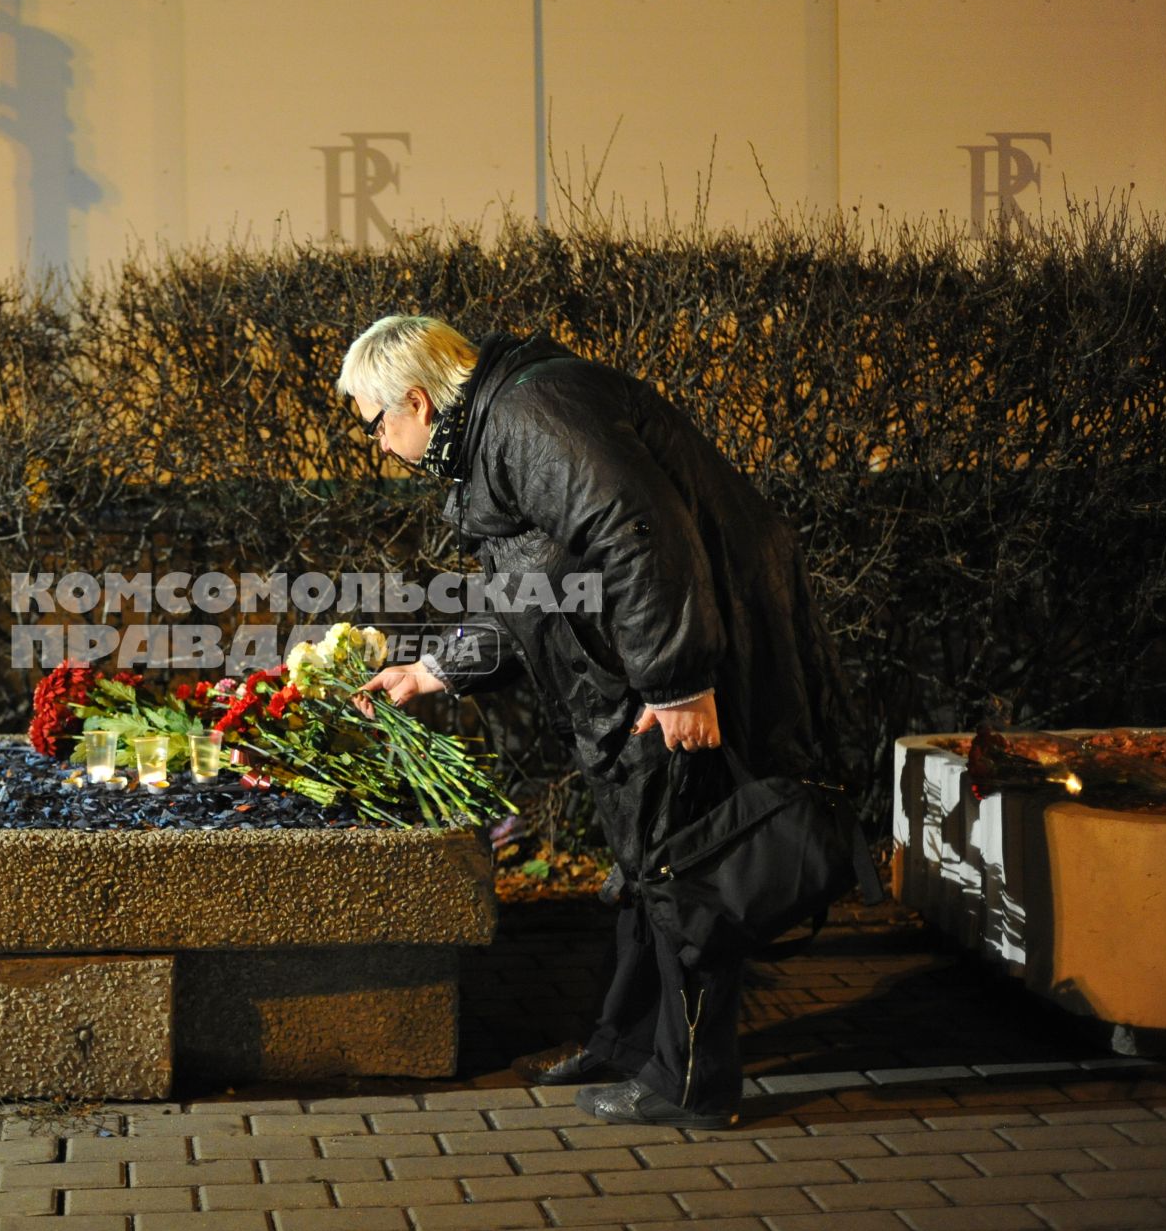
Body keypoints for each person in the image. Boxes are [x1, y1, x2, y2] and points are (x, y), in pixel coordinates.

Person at [342, 314, 857, 1128]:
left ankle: (689, 1084)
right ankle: (625, 1043)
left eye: (376, 423)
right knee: (644, 869)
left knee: (682, 871)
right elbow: (538, 593)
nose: (376, 442)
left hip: (665, 679)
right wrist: (433, 669)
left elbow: (638, 532)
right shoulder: (504, 427)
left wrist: (679, 679)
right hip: (635, 679)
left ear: (416, 401)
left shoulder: (526, 419)